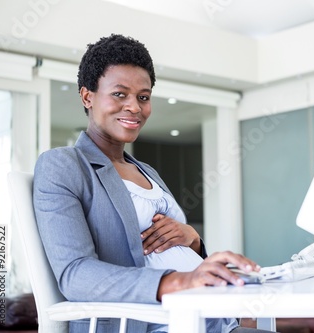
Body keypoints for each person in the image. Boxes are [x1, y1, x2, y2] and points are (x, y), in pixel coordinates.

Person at [33, 34, 274, 333]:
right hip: (150, 324)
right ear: (87, 96)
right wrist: (177, 281)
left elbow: (175, 247)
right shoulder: (64, 165)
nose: (135, 107)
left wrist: (193, 240)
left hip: (210, 319)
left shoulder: (146, 171)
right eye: (120, 94)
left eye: (143, 97)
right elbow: (75, 274)